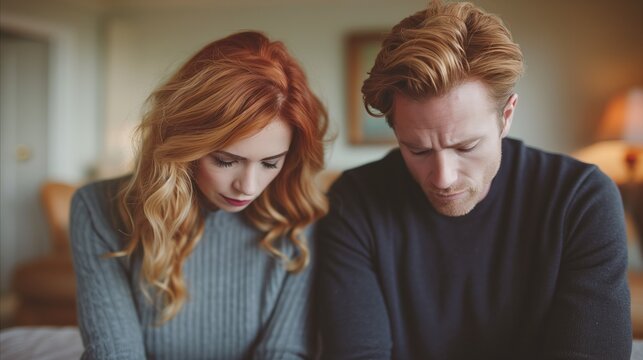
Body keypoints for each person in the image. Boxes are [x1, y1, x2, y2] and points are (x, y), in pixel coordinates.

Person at [316, 1, 631, 359]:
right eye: (417, 150)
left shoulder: (580, 199)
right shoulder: (352, 204)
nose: (443, 178)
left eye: (466, 146)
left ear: (506, 115)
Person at [70, 31, 328, 359]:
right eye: (225, 161)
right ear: (186, 144)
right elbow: (115, 352)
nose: (248, 186)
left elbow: (284, 351)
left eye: (269, 163)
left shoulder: (298, 216)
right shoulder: (96, 209)